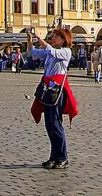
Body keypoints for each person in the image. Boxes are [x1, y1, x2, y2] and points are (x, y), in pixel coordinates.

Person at [27, 27, 72, 170]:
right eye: (53, 36)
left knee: (56, 124)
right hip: (48, 90)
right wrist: (30, 39)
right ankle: (53, 157)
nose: (53, 38)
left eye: (56, 36)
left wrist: (39, 37)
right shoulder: (50, 51)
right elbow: (32, 52)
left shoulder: (65, 52)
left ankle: (62, 157)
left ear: (63, 39)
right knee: (49, 125)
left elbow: (52, 51)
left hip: (57, 91)